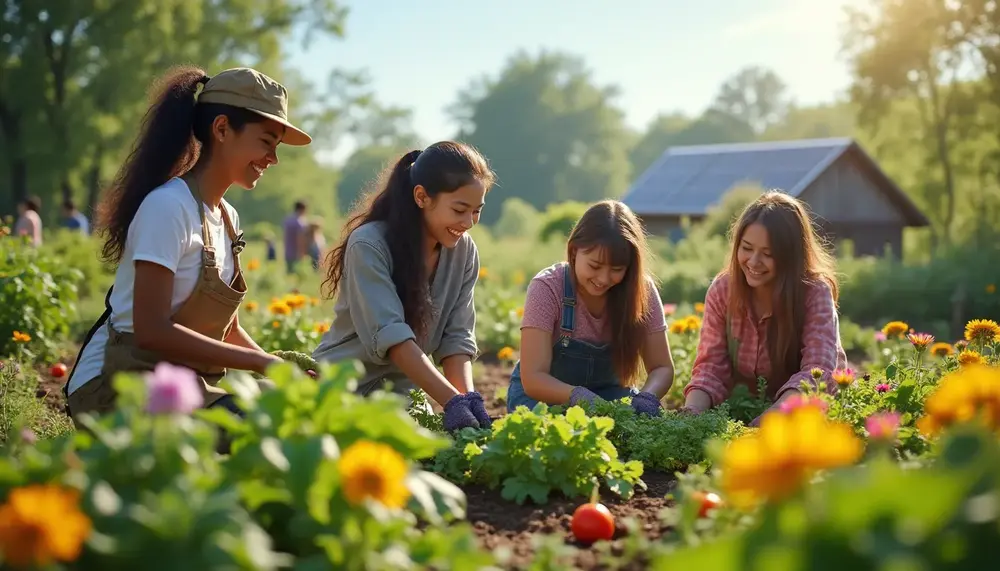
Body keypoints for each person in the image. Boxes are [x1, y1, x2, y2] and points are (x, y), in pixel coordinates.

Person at [64, 65, 312, 423]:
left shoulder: (228, 218)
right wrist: (261, 363)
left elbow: (228, 329)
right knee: (260, 427)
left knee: (291, 410)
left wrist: (279, 370)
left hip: (182, 383)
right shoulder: (168, 207)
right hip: (117, 388)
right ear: (222, 129)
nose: (273, 159)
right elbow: (151, 331)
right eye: (266, 142)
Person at [313, 141, 495, 432]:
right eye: (460, 209)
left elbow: (457, 339)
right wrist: (452, 401)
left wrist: (467, 400)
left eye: (476, 211)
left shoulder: (463, 251)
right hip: (343, 388)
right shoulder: (369, 244)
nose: (469, 223)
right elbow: (393, 338)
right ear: (422, 197)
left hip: (403, 398)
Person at [682, 191, 847, 426]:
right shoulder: (723, 290)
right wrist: (691, 413)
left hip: (800, 413)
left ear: (791, 257)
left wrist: (772, 418)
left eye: (768, 254)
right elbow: (711, 367)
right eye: (747, 248)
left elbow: (818, 370)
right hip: (742, 409)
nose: (753, 262)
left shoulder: (814, 292)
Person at [506, 200, 675, 416]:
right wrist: (578, 396)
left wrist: (647, 397)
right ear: (574, 251)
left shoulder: (642, 291)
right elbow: (534, 378)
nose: (603, 278)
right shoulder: (548, 287)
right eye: (595, 266)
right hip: (542, 398)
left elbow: (662, 367)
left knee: (635, 426)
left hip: (609, 395)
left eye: (616, 269)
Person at [283, 200, 308, 273]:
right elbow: (300, 239)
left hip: (288, 252)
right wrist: (302, 253)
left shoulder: (288, 220)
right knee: (297, 274)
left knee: (289, 274)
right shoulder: (300, 222)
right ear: (303, 209)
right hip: (297, 253)